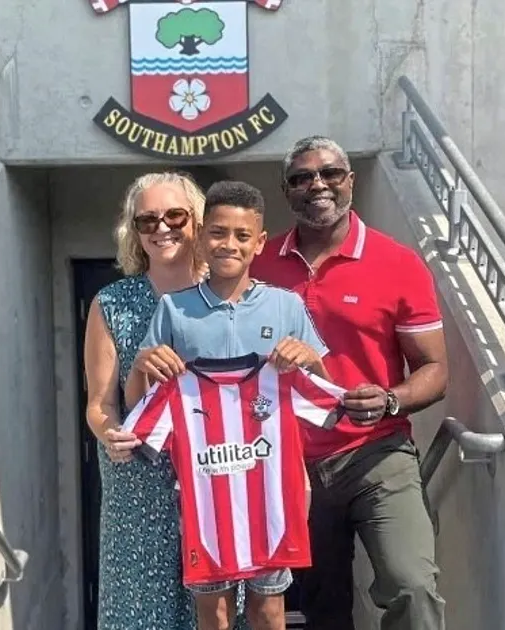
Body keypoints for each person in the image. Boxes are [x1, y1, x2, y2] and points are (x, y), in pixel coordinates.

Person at [251, 136, 451, 630]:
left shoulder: (398, 263)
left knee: (412, 586)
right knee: (323, 607)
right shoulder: (259, 265)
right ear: (286, 191)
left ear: (350, 181)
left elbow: (435, 370)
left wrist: (390, 399)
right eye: (301, 177)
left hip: (376, 455)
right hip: (290, 462)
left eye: (330, 173)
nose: (317, 184)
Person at [124, 180, 331, 630]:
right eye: (217, 233)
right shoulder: (174, 312)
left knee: (270, 607)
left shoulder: (286, 306)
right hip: (203, 491)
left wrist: (311, 359)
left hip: (272, 488)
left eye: (242, 236)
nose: (228, 244)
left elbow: (325, 399)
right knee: (212, 611)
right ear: (200, 236)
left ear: (260, 243)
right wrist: (141, 366)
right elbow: (142, 410)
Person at [82, 171, 208, 630]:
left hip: (216, 477)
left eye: (174, 215)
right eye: (147, 220)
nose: (162, 228)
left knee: (217, 612)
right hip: (138, 487)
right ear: (133, 232)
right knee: (142, 613)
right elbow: (100, 401)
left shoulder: (230, 294)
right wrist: (108, 432)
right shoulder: (111, 303)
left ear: (197, 221)